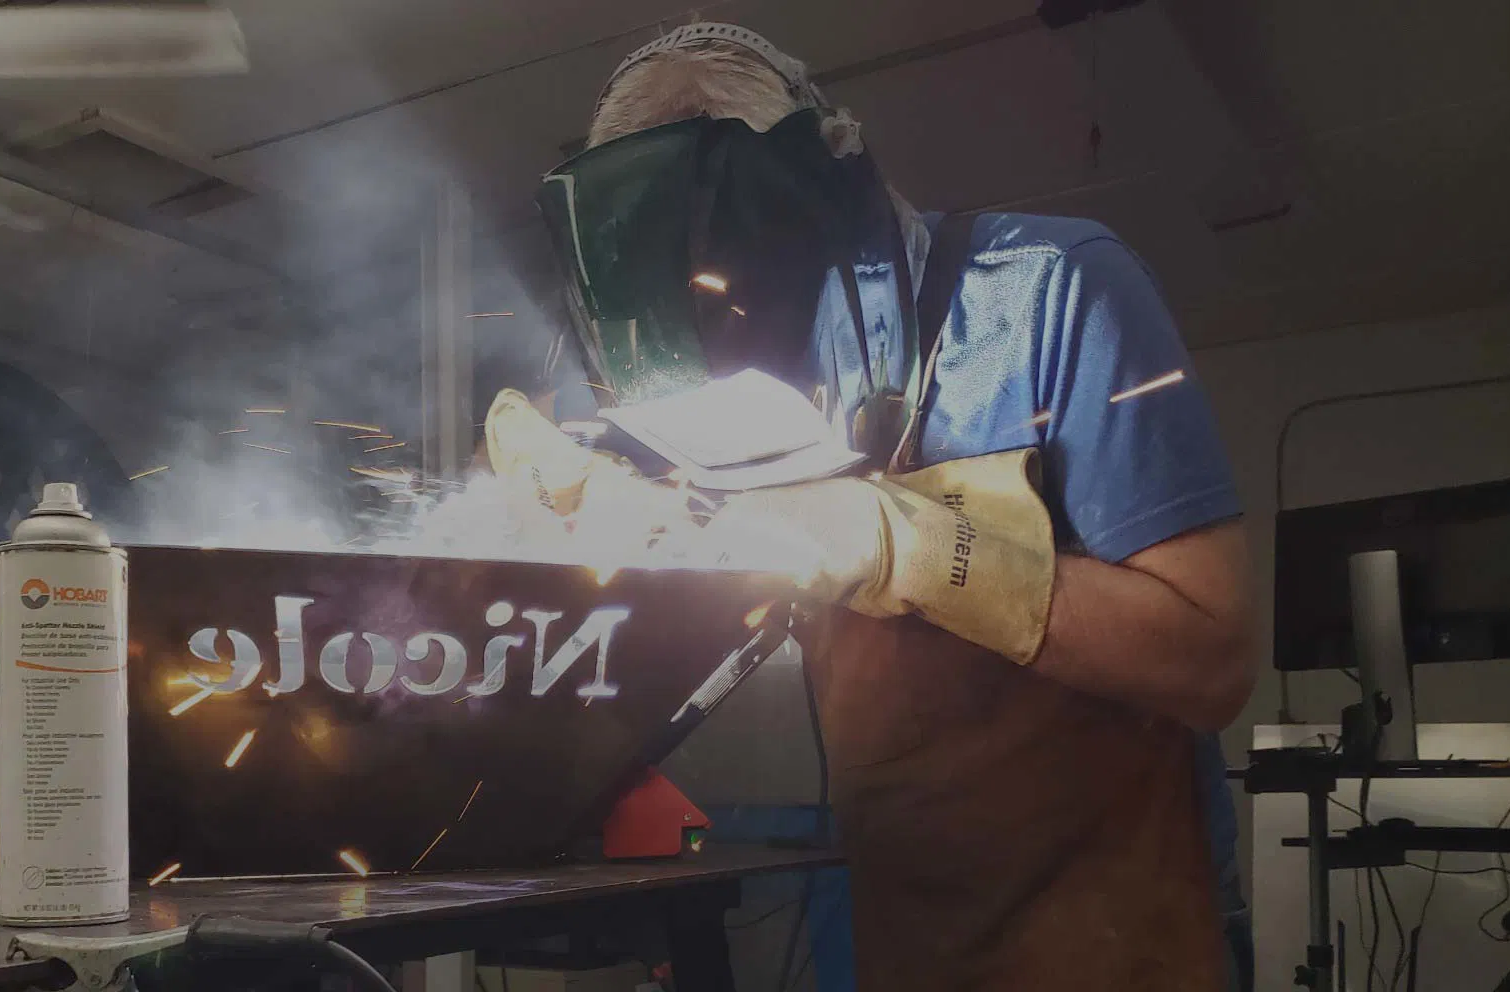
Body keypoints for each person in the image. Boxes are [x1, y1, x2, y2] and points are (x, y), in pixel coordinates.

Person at [499, 23, 1256, 992]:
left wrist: (899, 539)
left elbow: (1209, 657)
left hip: (1119, 945)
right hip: (910, 943)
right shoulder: (725, 374)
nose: (743, 339)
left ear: (828, 205)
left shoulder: (1049, 291)